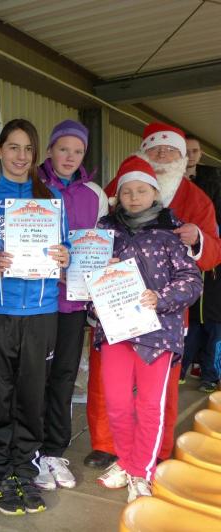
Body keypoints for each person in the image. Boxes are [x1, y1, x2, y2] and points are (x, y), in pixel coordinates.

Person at [85, 123, 221, 469]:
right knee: (107, 384)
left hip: (164, 314)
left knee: (159, 391)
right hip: (113, 313)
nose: (162, 155)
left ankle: (155, 450)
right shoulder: (117, 187)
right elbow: (91, 245)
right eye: (155, 149)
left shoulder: (196, 199)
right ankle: (106, 444)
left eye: (170, 150)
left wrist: (198, 239)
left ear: (182, 157)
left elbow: (212, 255)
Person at [0, 118, 70, 516]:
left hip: (42, 313)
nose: (20, 156)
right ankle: (0, 473)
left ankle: (25, 473)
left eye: (28, 149)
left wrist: (65, 255)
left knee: (31, 398)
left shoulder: (52, 200)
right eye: (13, 147)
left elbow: (66, 247)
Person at [92, 155, 201, 501]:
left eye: (141, 190)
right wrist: (99, 278)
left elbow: (192, 280)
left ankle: (142, 471)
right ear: (118, 196)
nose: (134, 197)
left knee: (150, 406)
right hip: (116, 330)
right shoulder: (104, 232)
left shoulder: (172, 231)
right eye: (127, 191)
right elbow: (85, 281)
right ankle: (127, 461)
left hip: (158, 334)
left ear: (155, 193)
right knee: (118, 403)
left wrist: (161, 297)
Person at [34, 120, 108, 490]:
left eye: (77, 151)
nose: (69, 157)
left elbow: (101, 243)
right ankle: (29, 451)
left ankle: (53, 451)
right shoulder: (32, 184)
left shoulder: (94, 194)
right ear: (50, 150)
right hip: (36, 299)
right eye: (63, 149)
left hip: (73, 302)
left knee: (64, 375)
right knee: (33, 376)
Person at [181, 134, 221, 392]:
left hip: (212, 263)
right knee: (192, 325)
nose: (190, 156)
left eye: (194, 151)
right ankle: (180, 368)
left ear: (200, 154)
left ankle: (210, 374)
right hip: (183, 264)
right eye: (186, 151)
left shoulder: (213, 183)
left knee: (214, 327)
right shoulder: (167, 183)